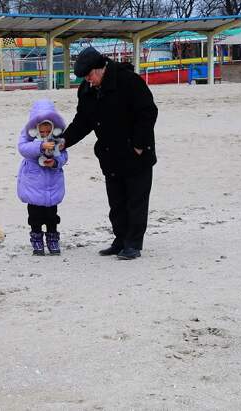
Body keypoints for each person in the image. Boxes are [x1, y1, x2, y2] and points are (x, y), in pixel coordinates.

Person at [62, 47, 158, 260]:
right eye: (85, 78)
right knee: (116, 202)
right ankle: (120, 239)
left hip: (136, 153)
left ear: (101, 68)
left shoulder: (129, 81)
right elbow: (83, 121)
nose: (88, 81)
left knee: (136, 201)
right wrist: (64, 141)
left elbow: (148, 112)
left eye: (90, 76)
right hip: (109, 154)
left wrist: (139, 144)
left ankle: (133, 243)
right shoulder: (86, 89)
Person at [17, 99, 69, 256]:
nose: (45, 134)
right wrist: (40, 146)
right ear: (35, 128)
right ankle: (36, 238)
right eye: (42, 131)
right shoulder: (29, 138)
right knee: (34, 215)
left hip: (52, 183)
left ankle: (53, 237)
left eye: (48, 131)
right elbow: (23, 148)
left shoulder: (57, 140)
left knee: (52, 215)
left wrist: (55, 162)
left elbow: (64, 156)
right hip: (33, 183)